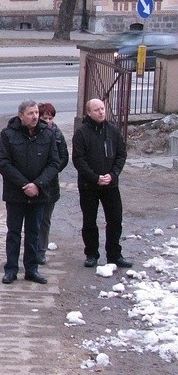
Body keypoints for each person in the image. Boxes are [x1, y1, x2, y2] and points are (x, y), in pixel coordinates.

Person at [0, 100, 60, 285]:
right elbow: (3, 163)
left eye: (36, 113)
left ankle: (32, 269)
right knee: (14, 233)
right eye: (30, 113)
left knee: (34, 232)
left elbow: (54, 163)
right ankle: (11, 269)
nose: (35, 116)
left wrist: (38, 185)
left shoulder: (47, 134)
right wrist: (25, 185)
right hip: (16, 194)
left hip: (39, 193)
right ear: (21, 116)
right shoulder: (8, 134)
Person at [73, 98, 133, 268]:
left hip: (111, 185)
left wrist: (113, 175)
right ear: (89, 113)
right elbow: (79, 160)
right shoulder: (82, 133)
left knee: (115, 219)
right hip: (89, 186)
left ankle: (114, 255)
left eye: (102, 108)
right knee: (90, 221)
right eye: (96, 109)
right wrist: (95, 177)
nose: (101, 112)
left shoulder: (113, 131)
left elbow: (121, 154)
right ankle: (91, 254)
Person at [35, 103, 69, 265]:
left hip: (50, 185)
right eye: (44, 118)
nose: (48, 121)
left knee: (45, 219)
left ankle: (41, 250)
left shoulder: (56, 132)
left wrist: (51, 172)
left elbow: (63, 157)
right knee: (33, 219)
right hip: (34, 183)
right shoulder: (34, 133)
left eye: (50, 118)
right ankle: (32, 248)